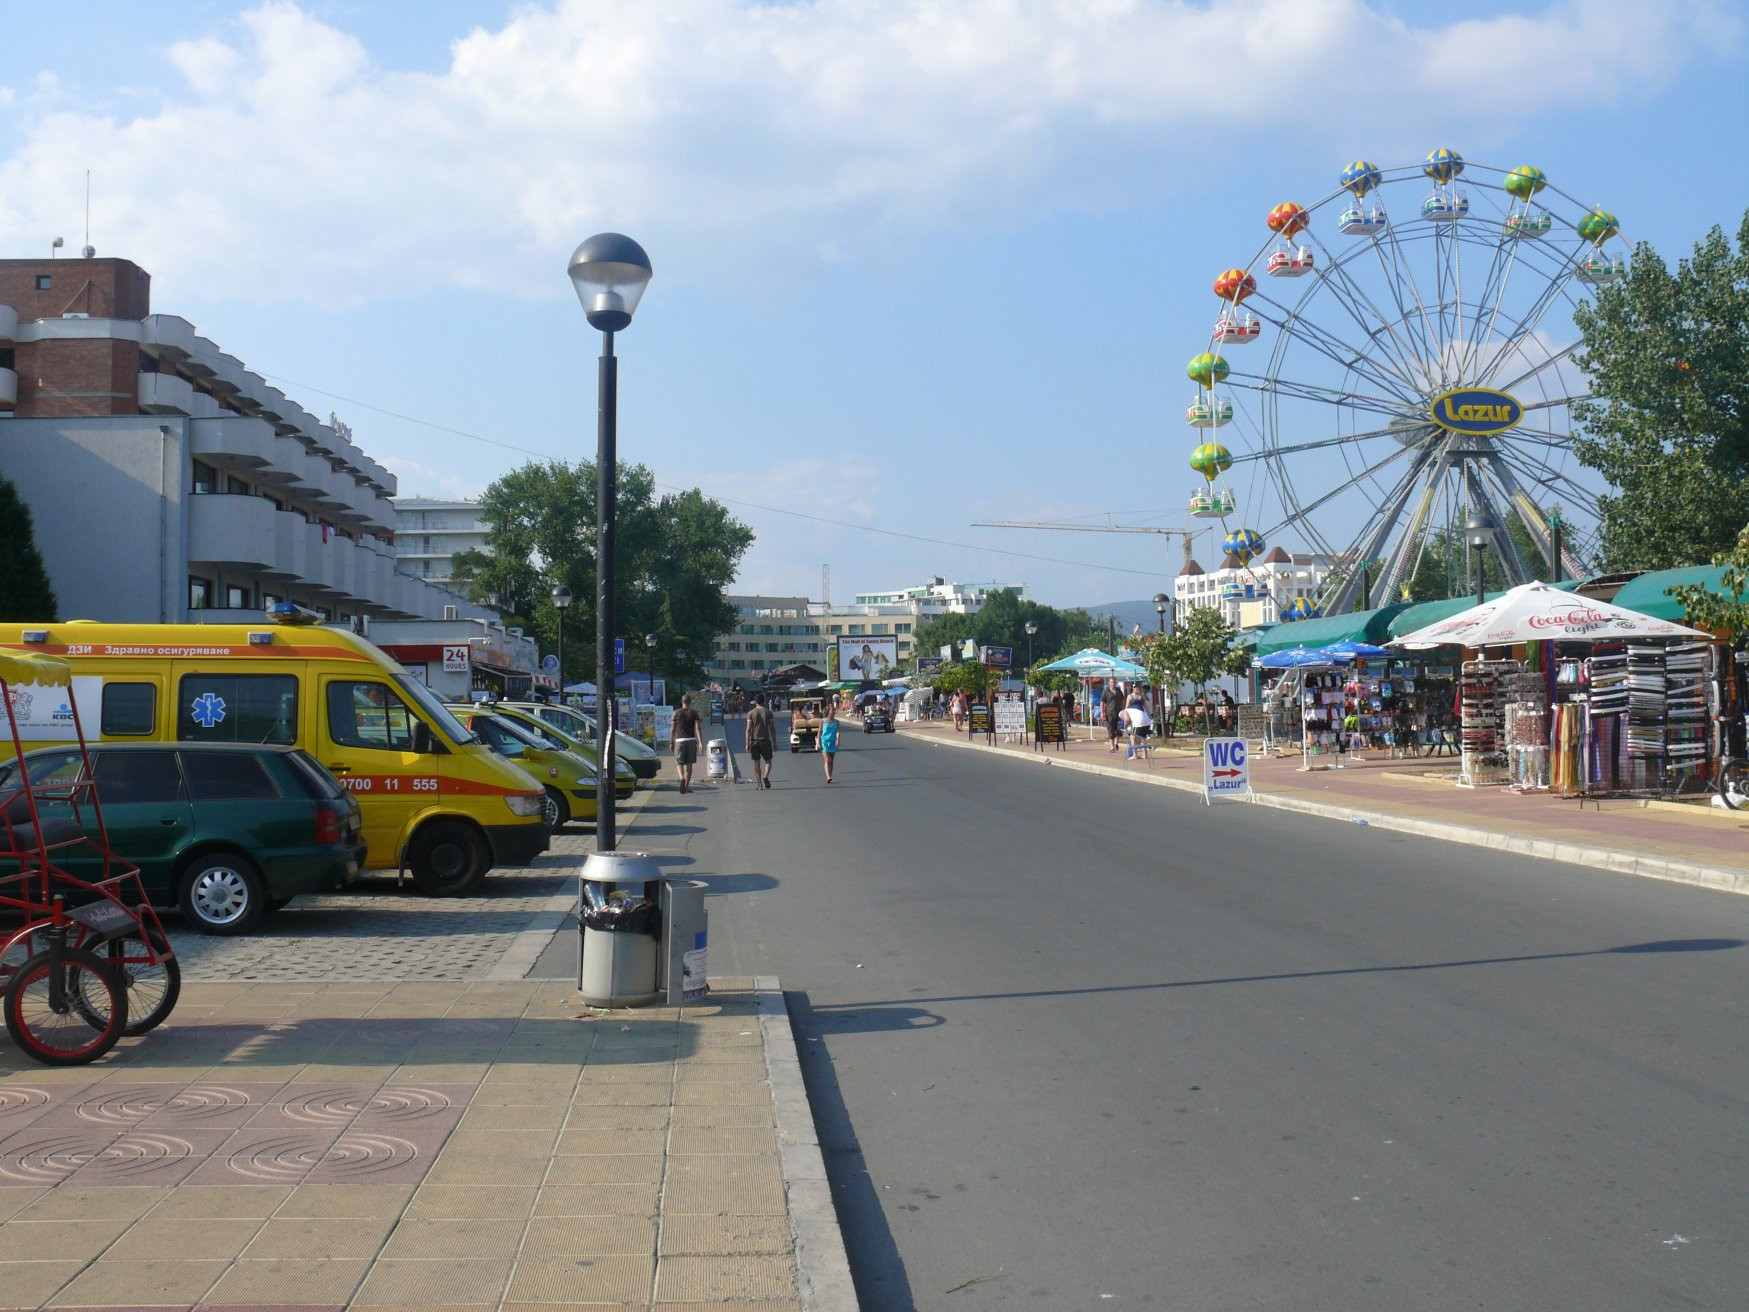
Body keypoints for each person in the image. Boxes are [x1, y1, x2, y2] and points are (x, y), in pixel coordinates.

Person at [671, 692, 703, 793]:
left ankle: (681, 778)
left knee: (679, 762)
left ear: (682, 702)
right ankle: (686, 787)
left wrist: (671, 742)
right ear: (690, 702)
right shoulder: (694, 712)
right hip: (691, 740)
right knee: (689, 765)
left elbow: (672, 729)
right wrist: (701, 742)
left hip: (679, 740)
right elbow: (698, 727)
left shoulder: (676, 713)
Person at [745, 692, 776, 789]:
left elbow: (748, 729)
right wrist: (775, 742)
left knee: (756, 762)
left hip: (754, 741)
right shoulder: (768, 713)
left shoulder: (751, 713)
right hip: (765, 740)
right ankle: (766, 776)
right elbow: (772, 729)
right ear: (764, 701)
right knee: (768, 761)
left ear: (755, 702)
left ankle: (759, 784)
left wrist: (747, 743)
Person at [819, 704, 840, 783]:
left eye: (834, 710)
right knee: (827, 760)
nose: (834, 712)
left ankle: (830, 776)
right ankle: (828, 776)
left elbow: (838, 731)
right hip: (824, 742)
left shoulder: (837, 722)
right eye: (832, 710)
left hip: (832, 742)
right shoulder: (823, 721)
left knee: (831, 761)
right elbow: (819, 732)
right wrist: (818, 743)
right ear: (828, 712)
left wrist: (838, 740)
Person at [1101, 682, 1124, 753]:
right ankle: (1112, 747)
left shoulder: (1119, 691)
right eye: (1111, 682)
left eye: (1114, 682)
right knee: (1111, 730)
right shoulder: (1106, 692)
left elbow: (1122, 700)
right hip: (1109, 713)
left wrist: (1124, 710)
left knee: (1119, 730)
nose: (1113, 684)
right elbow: (1102, 702)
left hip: (1119, 713)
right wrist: (1102, 712)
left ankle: (1116, 743)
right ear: (1109, 683)